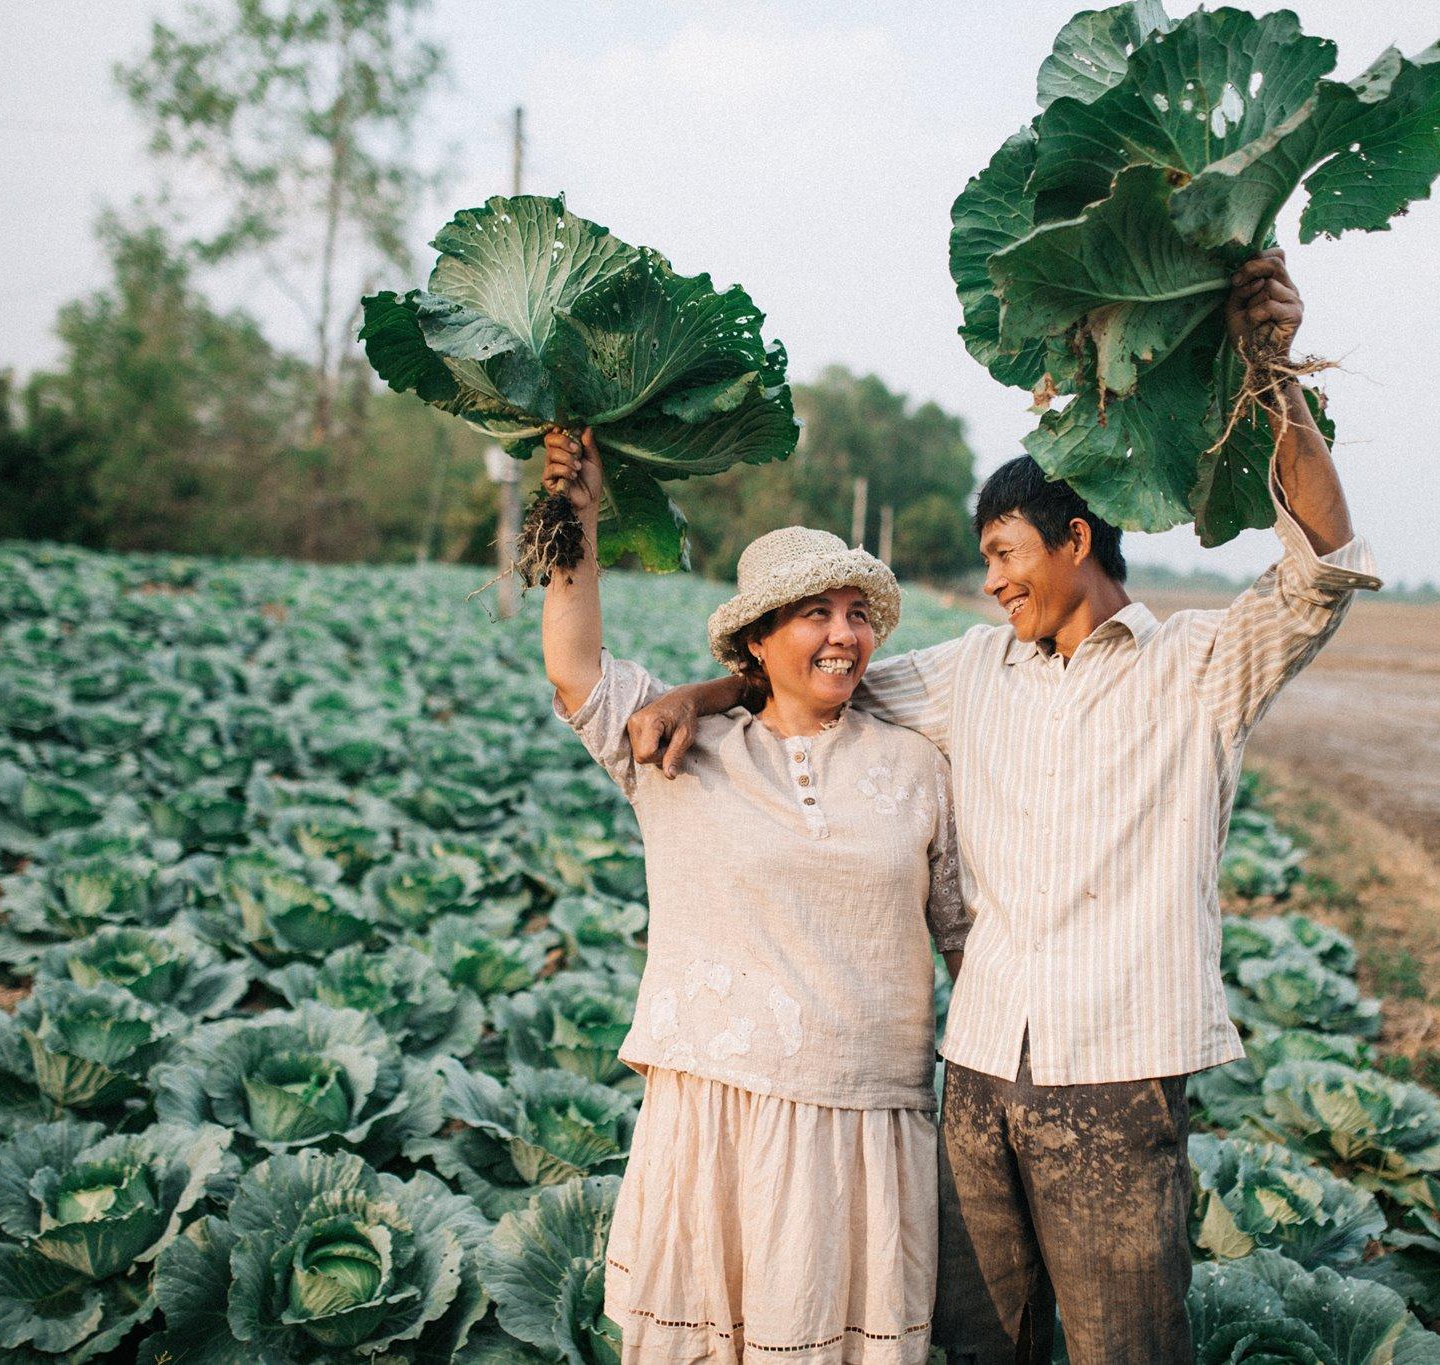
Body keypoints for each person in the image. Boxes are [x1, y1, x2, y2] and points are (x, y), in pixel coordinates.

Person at [621, 249, 1381, 1364]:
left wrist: (1270, 370)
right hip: (975, 1074)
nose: (991, 582)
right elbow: (810, 677)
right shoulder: (969, 671)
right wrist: (698, 690)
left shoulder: (1200, 670)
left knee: (1127, 1344)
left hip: (1115, 1075)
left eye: (1004, 553)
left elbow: (1317, 566)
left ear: (1077, 540)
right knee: (980, 1344)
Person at [537, 426, 971, 1364]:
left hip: (865, 1124)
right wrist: (575, 509)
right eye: (815, 612)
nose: (845, 633)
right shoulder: (678, 749)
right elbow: (575, 667)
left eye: (858, 612)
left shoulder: (917, 766)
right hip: (718, 1111)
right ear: (755, 643)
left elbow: (966, 942)